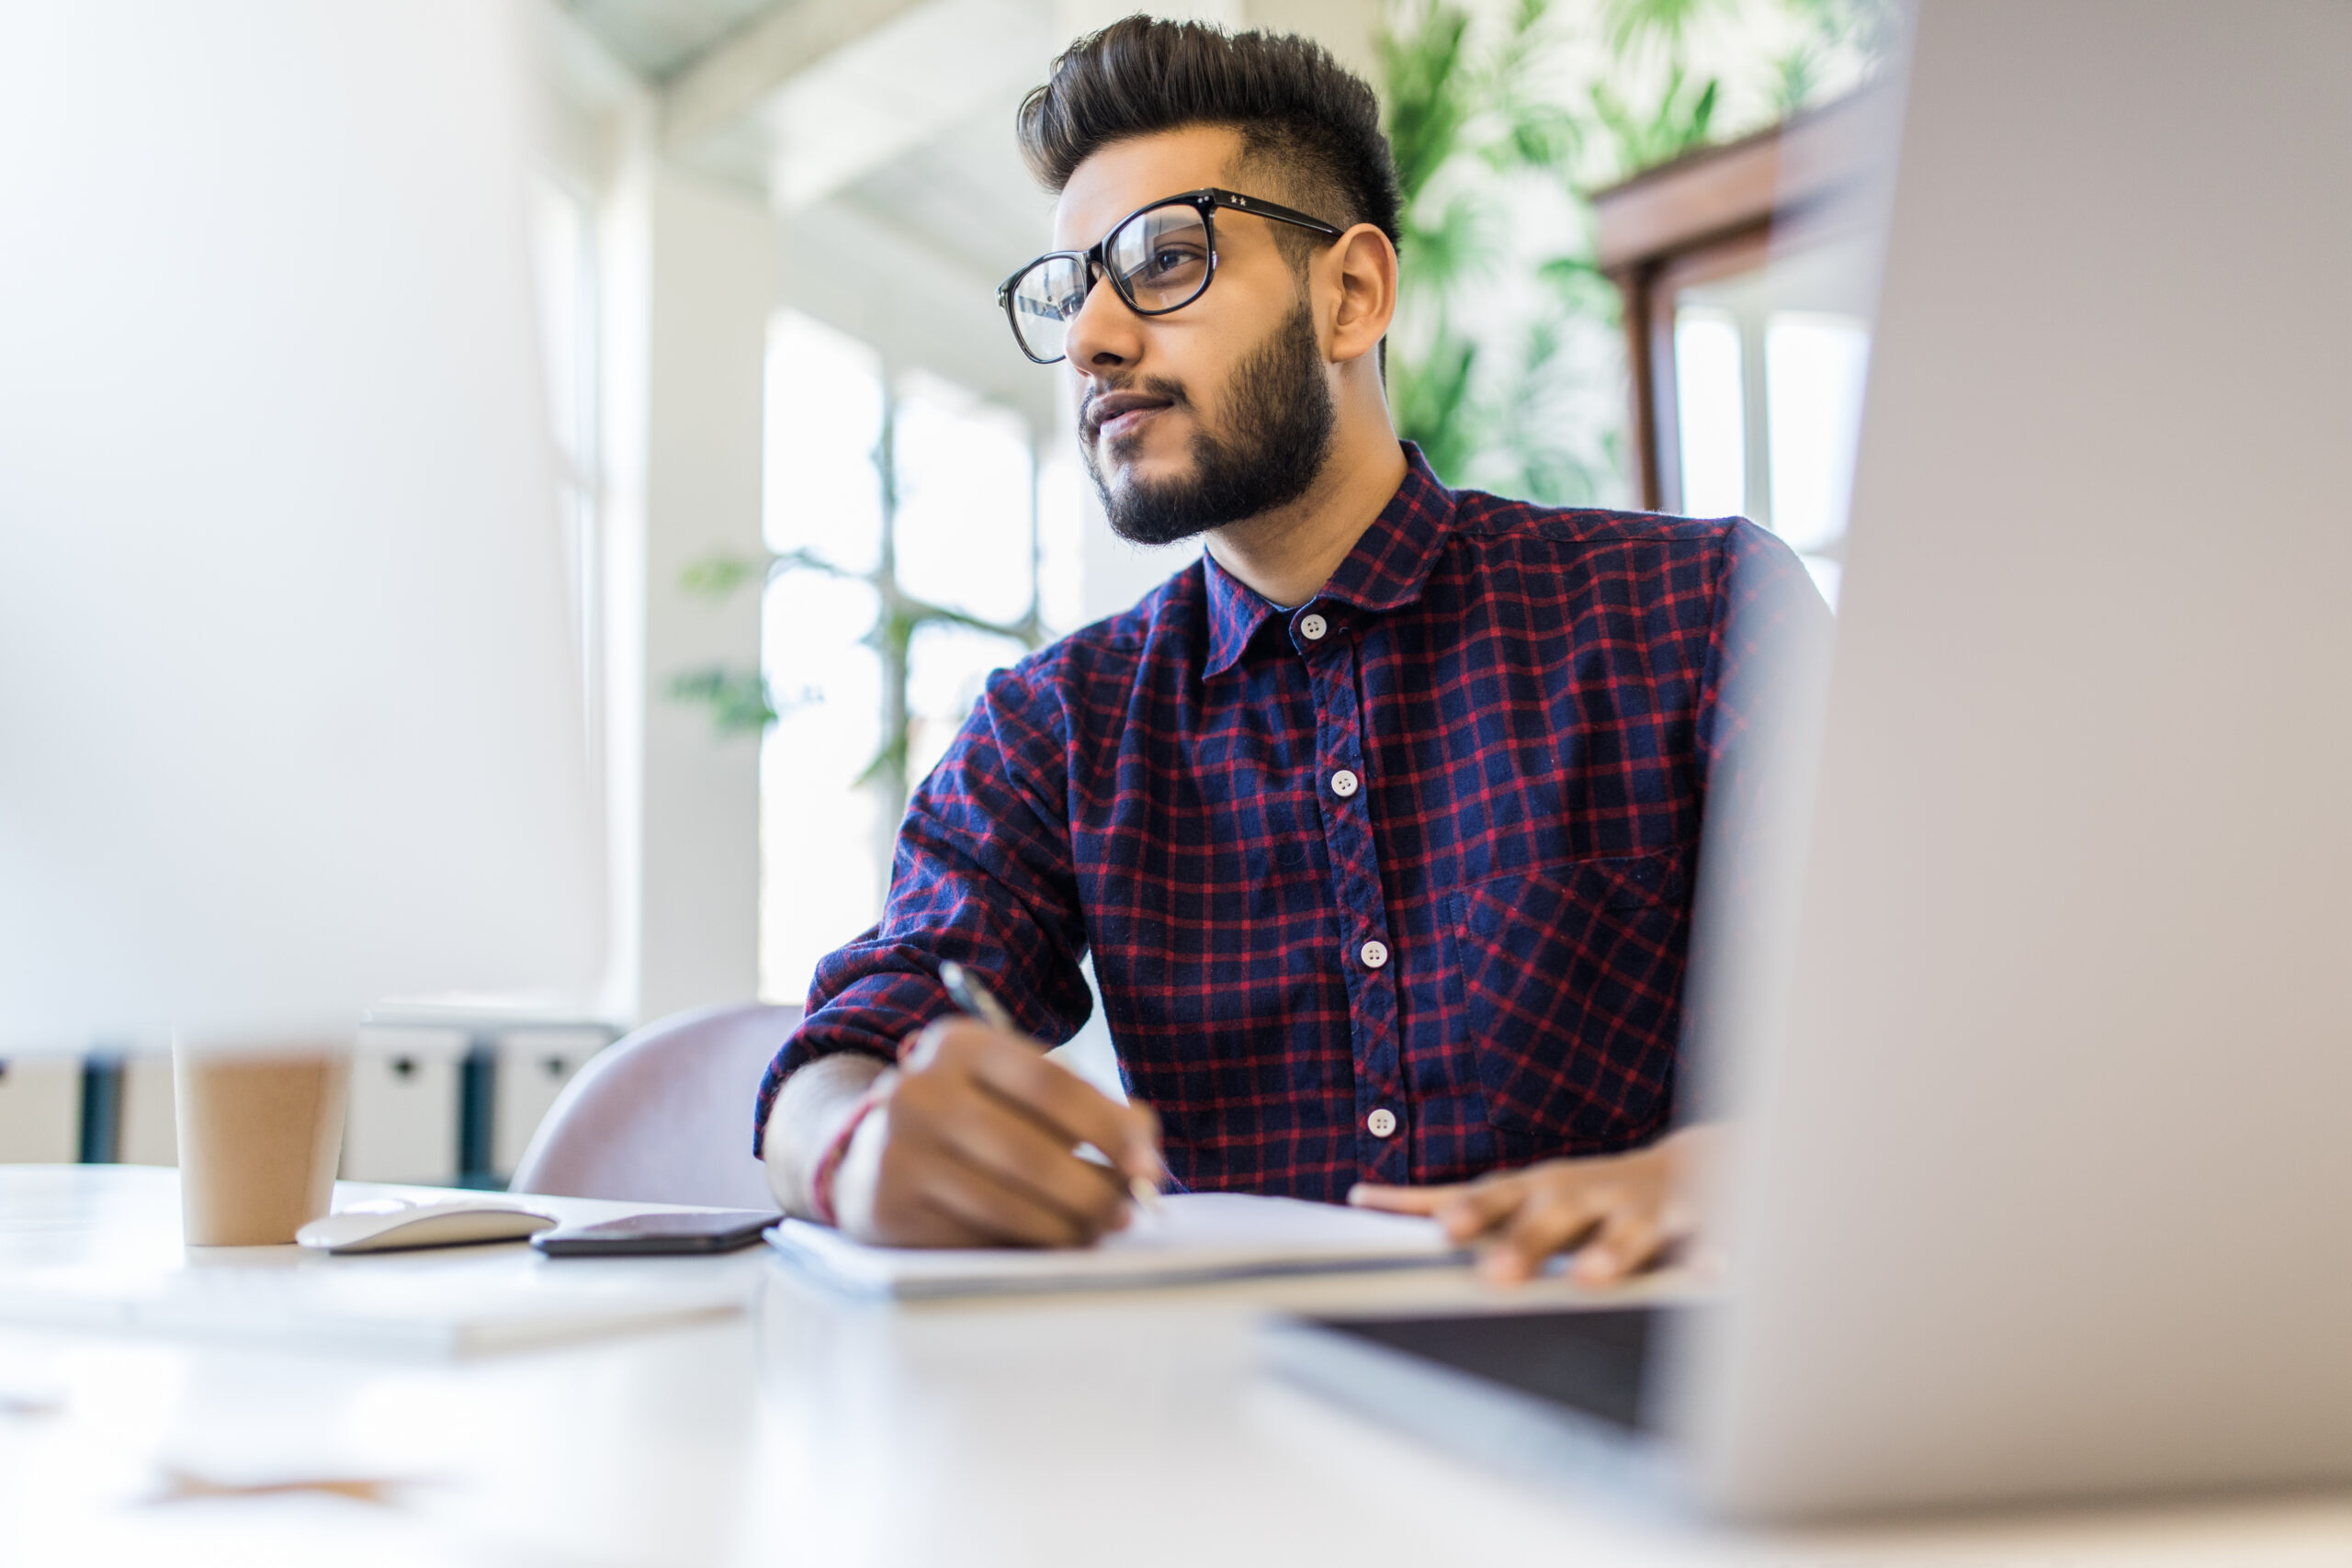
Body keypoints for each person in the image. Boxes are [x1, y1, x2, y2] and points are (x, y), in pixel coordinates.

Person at [758, 16, 1822, 1285]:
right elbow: (845, 1048)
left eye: (1161, 260)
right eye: (1072, 290)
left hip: (1647, 1397)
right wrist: (851, 1143)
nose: (1094, 336)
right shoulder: (1058, 727)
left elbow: (1921, 1034)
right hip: (1231, 1430)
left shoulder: (1699, 614)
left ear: (1352, 294)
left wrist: (1718, 1175)